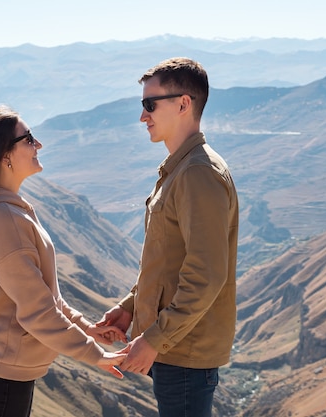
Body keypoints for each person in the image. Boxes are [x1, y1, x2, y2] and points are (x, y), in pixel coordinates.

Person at [0, 105, 127, 417]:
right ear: (4, 155)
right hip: (1, 374)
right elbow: (37, 311)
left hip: (2, 368)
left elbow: (42, 295)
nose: (39, 145)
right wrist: (95, 355)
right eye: (29, 139)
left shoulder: (7, 210)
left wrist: (87, 329)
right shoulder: (5, 218)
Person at [97, 57, 239, 417]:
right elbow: (167, 263)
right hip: (177, 349)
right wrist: (130, 309)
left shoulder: (197, 174)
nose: (143, 116)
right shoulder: (181, 169)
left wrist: (156, 338)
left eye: (149, 105)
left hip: (184, 353)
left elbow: (206, 275)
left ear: (183, 104)